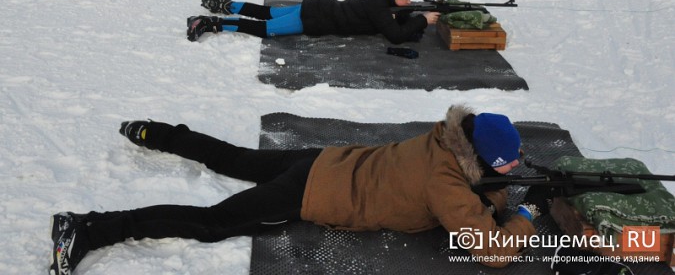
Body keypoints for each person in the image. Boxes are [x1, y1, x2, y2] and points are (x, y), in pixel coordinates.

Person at [49, 105, 555, 274]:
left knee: (232, 157)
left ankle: (151, 131)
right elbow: (491, 250)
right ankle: (90, 230)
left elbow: (473, 189)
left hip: (320, 160)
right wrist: (524, 215)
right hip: (311, 195)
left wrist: (494, 191)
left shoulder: (440, 140)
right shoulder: (447, 185)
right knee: (211, 223)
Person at [185, 0, 440, 44]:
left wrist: (409, 14)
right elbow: (394, 36)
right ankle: (212, 23)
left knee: (269, 13)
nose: (409, 0)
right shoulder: (378, 6)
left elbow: (390, 17)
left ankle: (229, 5)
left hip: (317, 6)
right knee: (264, 29)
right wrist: (423, 20)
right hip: (313, 18)